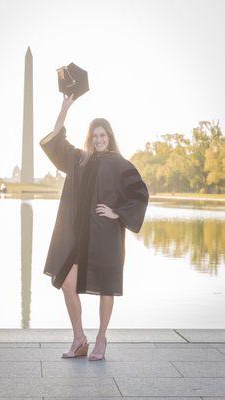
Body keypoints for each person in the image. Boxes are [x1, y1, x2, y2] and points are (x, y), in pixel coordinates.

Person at [39, 94, 149, 361]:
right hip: (76, 237)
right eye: (95, 135)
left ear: (109, 137)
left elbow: (140, 194)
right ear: (90, 137)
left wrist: (117, 213)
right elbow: (55, 141)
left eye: (103, 135)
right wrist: (64, 108)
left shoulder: (121, 165)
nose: (99, 139)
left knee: (106, 287)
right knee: (67, 284)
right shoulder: (79, 160)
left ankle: (101, 339)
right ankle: (79, 338)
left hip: (104, 237)